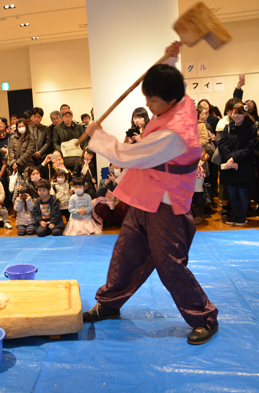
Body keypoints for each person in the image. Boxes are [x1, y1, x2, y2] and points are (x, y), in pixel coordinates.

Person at [82, 42, 218, 345]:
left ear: (171, 99)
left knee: (169, 264)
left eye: (153, 102)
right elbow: (169, 80)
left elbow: (130, 156)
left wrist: (97, 136)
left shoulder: (174, 134)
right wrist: (170, 58)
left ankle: (204, 315)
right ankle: (109, 303)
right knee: (126, 251)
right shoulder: (182, 99)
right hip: (146, 194)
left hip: (167, 202)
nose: (150, 106)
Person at [218, 102, 257, 226]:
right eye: (234, 113)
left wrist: (233, 158)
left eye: (239, 113)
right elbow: (222, 144)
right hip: (230, 166)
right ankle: (234, 215)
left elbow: (248, 148)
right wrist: (230, 160)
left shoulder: (251, 128)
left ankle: (242, 216)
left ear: (245, 113)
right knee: (231, 192)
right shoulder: (228, 127)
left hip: (244, 165)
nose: (235, 115)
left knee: (242, 192)